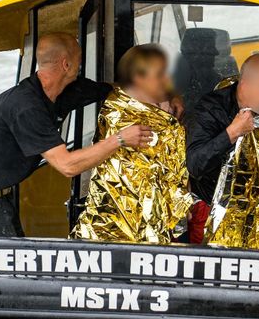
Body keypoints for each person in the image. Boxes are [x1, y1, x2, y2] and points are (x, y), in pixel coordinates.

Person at [0, 33, 154, 237]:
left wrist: (164, 96)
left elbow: (113, 90)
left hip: (2, 193)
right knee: (12, 267)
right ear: (66, 65)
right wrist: (119, 139)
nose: (82, 63)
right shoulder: (26, 107)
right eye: (80, 58)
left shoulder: (62, 92)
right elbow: (67, 166)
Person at [71, 45, 195, 244]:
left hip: (167, 220)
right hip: (124, 229)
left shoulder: (160, 105)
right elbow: (145, 181)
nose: (167, 81)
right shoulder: (121, 118)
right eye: (160, 75)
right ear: (139, 78)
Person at [185, 53, 259, 249]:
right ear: (245, 85)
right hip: (213, 214)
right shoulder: (211, 110)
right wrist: (231, 133)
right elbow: (195, 164)